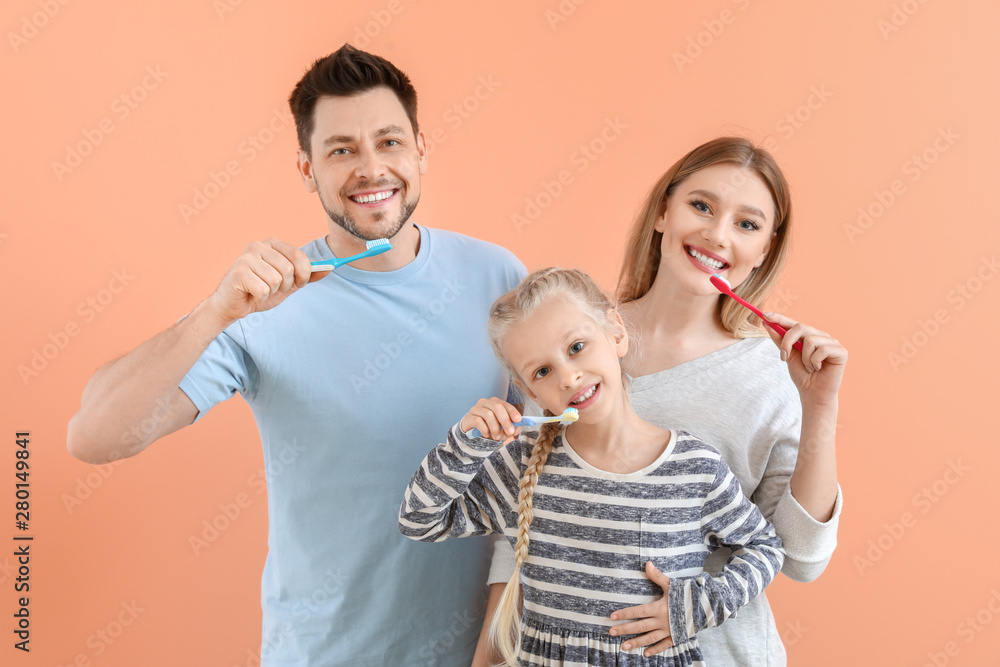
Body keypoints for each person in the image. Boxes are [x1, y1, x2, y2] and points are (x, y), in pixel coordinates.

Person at [66, 44, 525, 666]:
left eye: (388, 142)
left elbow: (535, 478)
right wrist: (214, 314)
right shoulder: (260, 305)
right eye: (341, 150)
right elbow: (96, 437)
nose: (371, 168)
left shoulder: (498, 276)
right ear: (307, 168)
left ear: (421, 148)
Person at [476, 137, 847, 666]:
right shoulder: (574, 336)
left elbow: (800, 558)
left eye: (747, 224)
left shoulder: (773, 375)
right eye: (701, 206)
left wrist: (820, 410)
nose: (717, 235)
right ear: (661, 212)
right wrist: (488, 659)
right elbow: (524, 522)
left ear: (764, 249)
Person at [400, 267, 786, 666]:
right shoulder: (520, 465)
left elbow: (766, 548)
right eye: (543, 371)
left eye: (577, 347)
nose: (568, 376)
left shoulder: (694, 469)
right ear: (531, 391)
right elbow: (418, 520)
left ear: (616, 332)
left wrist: (697, 607)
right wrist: (465, 442)